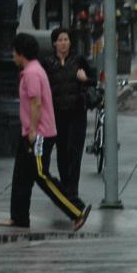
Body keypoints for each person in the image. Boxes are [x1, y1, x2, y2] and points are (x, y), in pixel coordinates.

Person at [0, 33, 91, 232]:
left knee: (42, 176)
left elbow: (36, 103)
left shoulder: (32, 73)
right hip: (30, 132)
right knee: (21, 175)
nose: (12, 55)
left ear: (21, 53)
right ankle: (19, 217)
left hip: (39, 134)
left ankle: (75, 210)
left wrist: (32, 131)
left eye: (14, 52)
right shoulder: (32, 70)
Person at [43, 27, 95, 199]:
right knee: (62, 152)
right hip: (57, 114)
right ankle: (65, 185)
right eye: (60, 40)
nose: (63, 43)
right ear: (54, 43)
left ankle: (73, 190)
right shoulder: (48, 63)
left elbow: (94, 80)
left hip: (77, 113)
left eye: (66, 39)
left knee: (75, 152)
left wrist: (85, 79)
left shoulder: (79, 60)